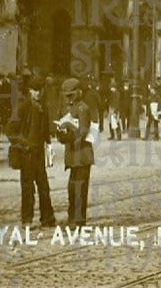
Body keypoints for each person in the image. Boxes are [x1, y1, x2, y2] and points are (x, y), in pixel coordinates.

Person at [8, 74, 56, 228]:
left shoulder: (43, 106)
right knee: (28, 188)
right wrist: (24, 143)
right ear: (29, 91)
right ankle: (27, 219)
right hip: (26, 154)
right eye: (34, 90)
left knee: (43, 187)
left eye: (39, 90)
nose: (37, 94)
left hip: (39, 154)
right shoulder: (23, 106)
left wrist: (48, 144)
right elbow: (10, 130)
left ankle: (47, 218)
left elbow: (45, 131)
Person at [55, 78, 94, 227]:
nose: (69, 98)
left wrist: (69, 136)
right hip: (72, 155)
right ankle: (72, 217)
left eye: (71, 95)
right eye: (67, 96)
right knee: (71, 188)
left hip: (82, 155)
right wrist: (61, 135)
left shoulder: (83, 108)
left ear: (79, 92)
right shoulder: (67, 109)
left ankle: (79, 220)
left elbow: (83, 131)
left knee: (80, 188)